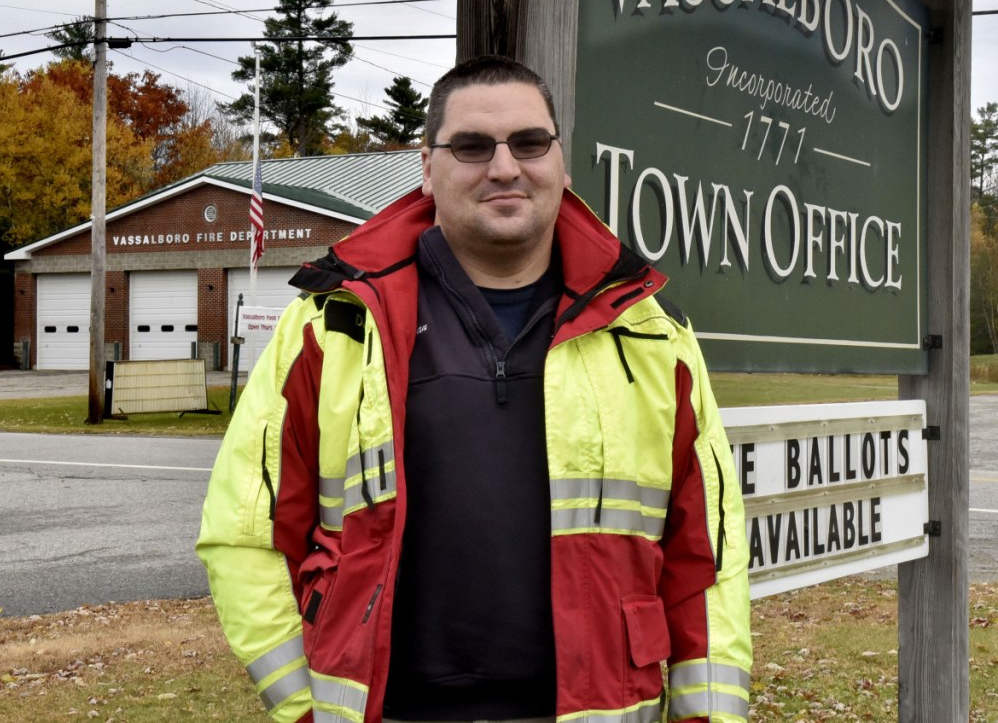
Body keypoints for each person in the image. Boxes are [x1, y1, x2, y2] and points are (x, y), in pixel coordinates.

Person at [197, 55, 751, 723]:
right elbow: (245, 532)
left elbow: (708, 563)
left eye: (529, 142)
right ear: (427, 168)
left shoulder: (653, 338)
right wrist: (305, 708)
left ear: (560, 162)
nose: (505, 166)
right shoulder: (333, 326)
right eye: (471, 146)